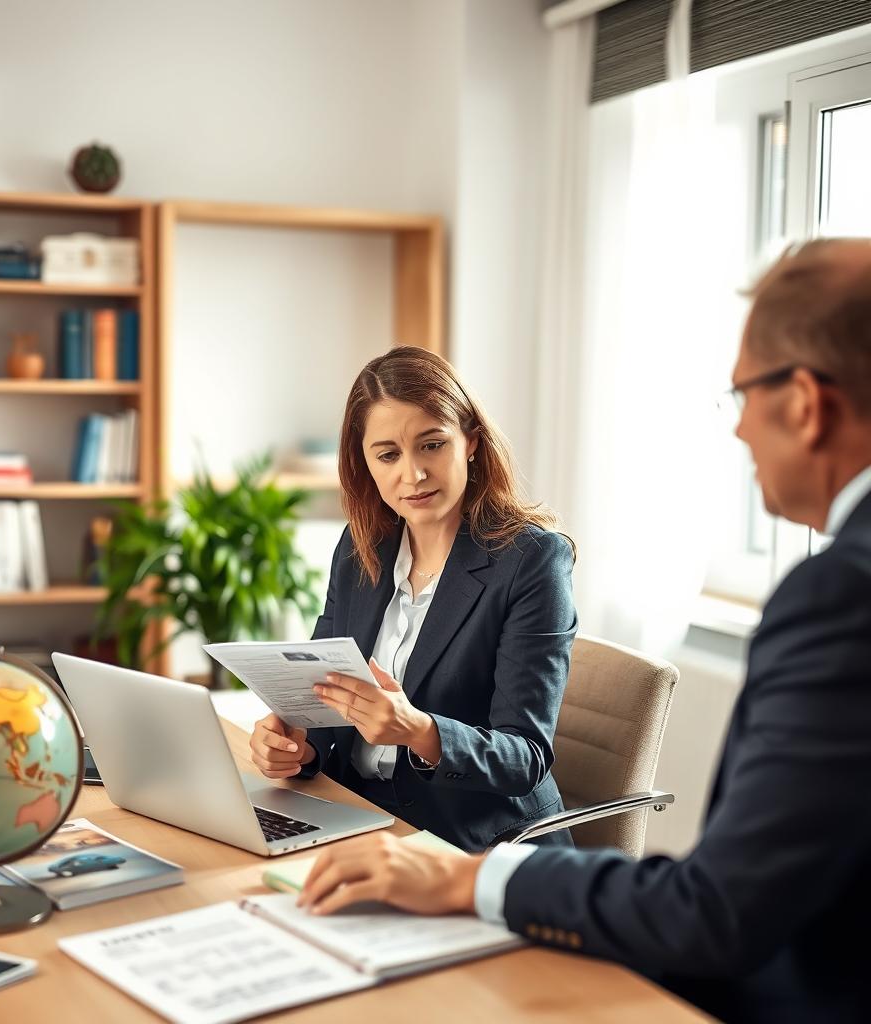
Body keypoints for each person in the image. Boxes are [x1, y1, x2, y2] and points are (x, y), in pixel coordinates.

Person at [297, 239, 871, 1022]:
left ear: (804, 403)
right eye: (387, 454)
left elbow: (722, 911)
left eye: (740, 396)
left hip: (474, 851)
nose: (737, 433)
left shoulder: (838, 594)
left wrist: (466, 872)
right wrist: (299, 737)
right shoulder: (360, 550)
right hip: (364, 832)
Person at [249, 346, 577, 852]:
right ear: (366, 464)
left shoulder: (531, 561)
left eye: (431, 445)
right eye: (388, 455)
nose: (413, 474)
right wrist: (295, 747)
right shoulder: (361, 549)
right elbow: (320, 700)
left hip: (472, 841)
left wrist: (419, 730)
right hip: (358, 819)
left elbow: (525, 758)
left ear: (470, 441)